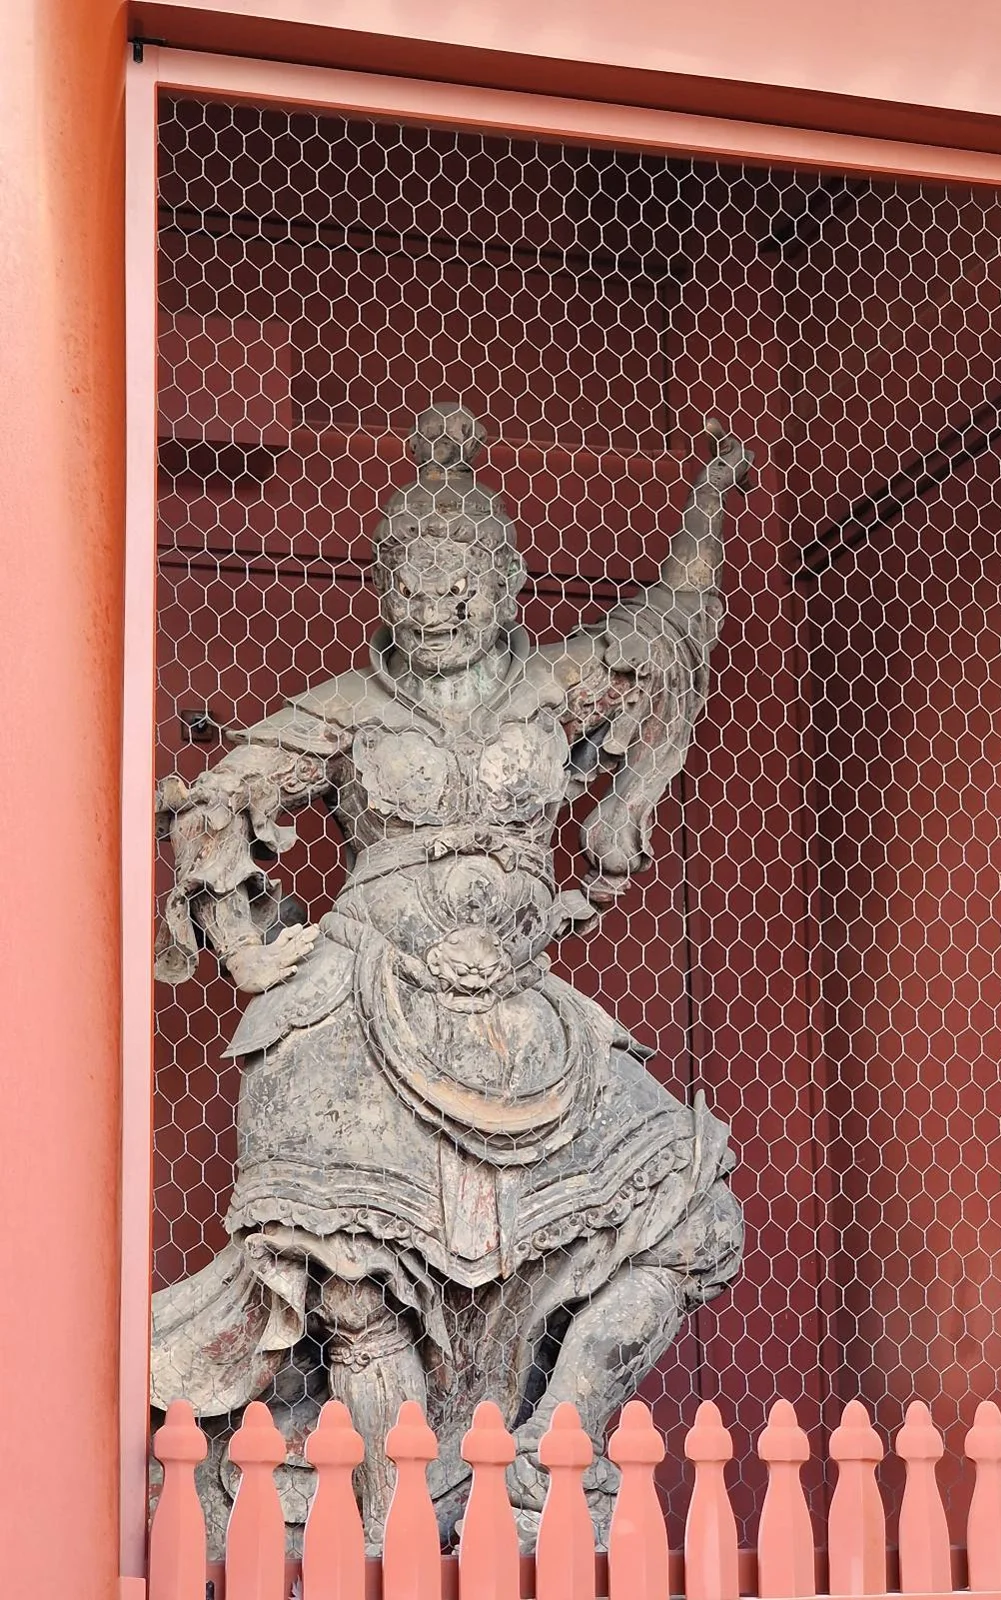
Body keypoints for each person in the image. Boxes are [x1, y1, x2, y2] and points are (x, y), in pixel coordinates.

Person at [151, 403, 749, 1543]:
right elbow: (216, 810)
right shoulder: (347, 712)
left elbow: (667, 629)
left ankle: (549, 1450)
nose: (436, 610)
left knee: (693, 1214)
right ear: (381, 587)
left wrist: (708, 504)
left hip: (529, 1027)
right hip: (366, 1012)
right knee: (347, 1269)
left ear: (511, 581)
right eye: (412, 588)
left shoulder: (556, 686)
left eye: (461, 584)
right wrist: (258, 950)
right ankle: (398, 1510)